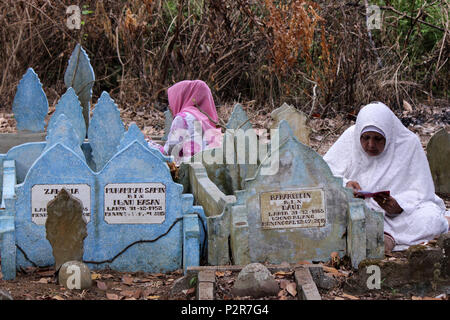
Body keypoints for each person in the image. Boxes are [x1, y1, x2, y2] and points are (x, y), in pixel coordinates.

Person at [323, 102, 449, 254]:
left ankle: (389, 237)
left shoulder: (408, 143)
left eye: (378, 139)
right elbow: (325, 171)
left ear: (389, 134)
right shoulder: (351, 136)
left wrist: (398, 205)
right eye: (366, 137)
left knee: (431, 220)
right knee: (324, 212)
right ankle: (382, 236)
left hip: (401, 218)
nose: (371, 144)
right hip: (359, 209)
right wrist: (345, 185)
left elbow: (422, 191)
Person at [148, 80, 223, 164]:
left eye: (172, 101)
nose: (170, 107)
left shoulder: (183, 118)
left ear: (181, 98)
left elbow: (168, 154)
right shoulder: (208, 120)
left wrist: (148, 142)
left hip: (190, 172)